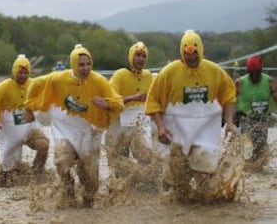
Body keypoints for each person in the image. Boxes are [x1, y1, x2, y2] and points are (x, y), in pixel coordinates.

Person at [24, 44, 123, 208]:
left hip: (89, 131)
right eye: (81, 64)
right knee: (62, 161)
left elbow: (118, 102)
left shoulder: (98, 80)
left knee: (90, 183)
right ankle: (68, 191)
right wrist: (28, 107)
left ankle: (87, 205)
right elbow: (34, 84)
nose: (85, 69)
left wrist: (107, 104)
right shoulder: (58, 78)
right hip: (65, 127)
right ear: (73, 64)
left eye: (88, 64)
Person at [144, 30, 237, 198]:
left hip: (205, 130)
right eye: (187, 55)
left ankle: (204, 210)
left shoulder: (215, 71)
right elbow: (153, 101)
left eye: (195, 54)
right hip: (175, 129)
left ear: (200, 51)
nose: (191, 59)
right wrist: (160, 128)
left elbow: (229, 96)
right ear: (181, 53)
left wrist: (229, 122)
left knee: (204, 174)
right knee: (177, 179)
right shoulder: (168, 73)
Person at [0, 54, 49, 186]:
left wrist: (36, 113)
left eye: (26, 73)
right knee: (9, 175)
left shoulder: (34, 84)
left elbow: (46, 101)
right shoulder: (4, 87)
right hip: (10, 128)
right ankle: (4, 175)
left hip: (30, 126)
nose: (23, 76)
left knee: (43, 145)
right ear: (14, 72)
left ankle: (37, 173)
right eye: (20, 73)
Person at [105, 42, 154, 179]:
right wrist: (134, 97)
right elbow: (110, 100)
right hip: (117, 123)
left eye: (144, 56)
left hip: (138, 121)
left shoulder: (148, 76)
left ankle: (144, 185)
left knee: (145, 155)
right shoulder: (120, 75)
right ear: (131, 56)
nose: (141, 59)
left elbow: (154, 99)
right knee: (118, 160)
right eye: (138, 55)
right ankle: (119, 188)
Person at [235, 55, 277, 161]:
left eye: (256, 72)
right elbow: (230, 100)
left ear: (261, 69)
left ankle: (254, 168)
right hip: (245, 119)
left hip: (262, 120)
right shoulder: (240, 83)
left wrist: (274, 92)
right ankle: (241, 165)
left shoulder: (269, 81)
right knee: (246, 143)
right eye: (251, 72)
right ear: (247, 70)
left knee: (260, 150)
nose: (254, 75)